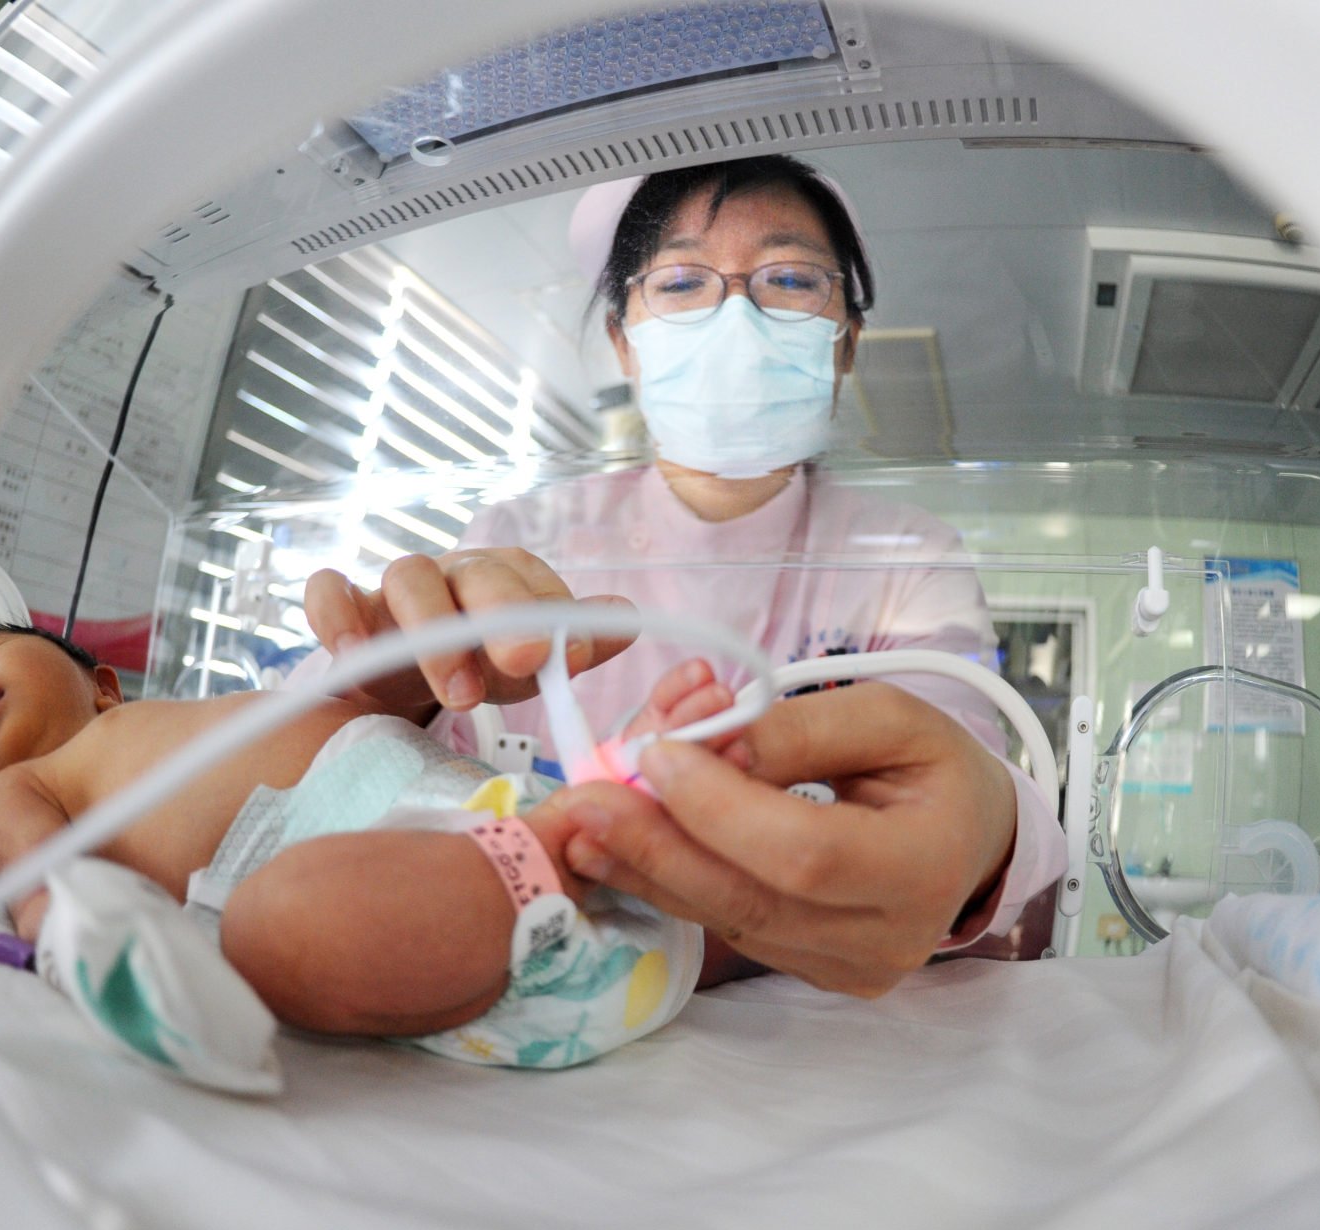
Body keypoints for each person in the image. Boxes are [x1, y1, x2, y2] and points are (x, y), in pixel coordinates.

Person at [292, 155, 1066, 979]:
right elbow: (330, 778)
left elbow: (962, 770)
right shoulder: (524, 536)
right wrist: (379, 694)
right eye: (680, 282)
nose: (736, 315)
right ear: (625, 343)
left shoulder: (908, 559)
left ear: (845, 346)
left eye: (791, 279)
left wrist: (982, 836)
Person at [0, 622, 742, 1069]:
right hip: (434, 922)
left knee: (709, 920)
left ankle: (730, 917)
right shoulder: (23, 788)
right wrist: (55, 925)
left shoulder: (194, 713)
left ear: (102, 684)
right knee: (276, 923)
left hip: (489, 828)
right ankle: (595, 824)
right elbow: (35, 872)